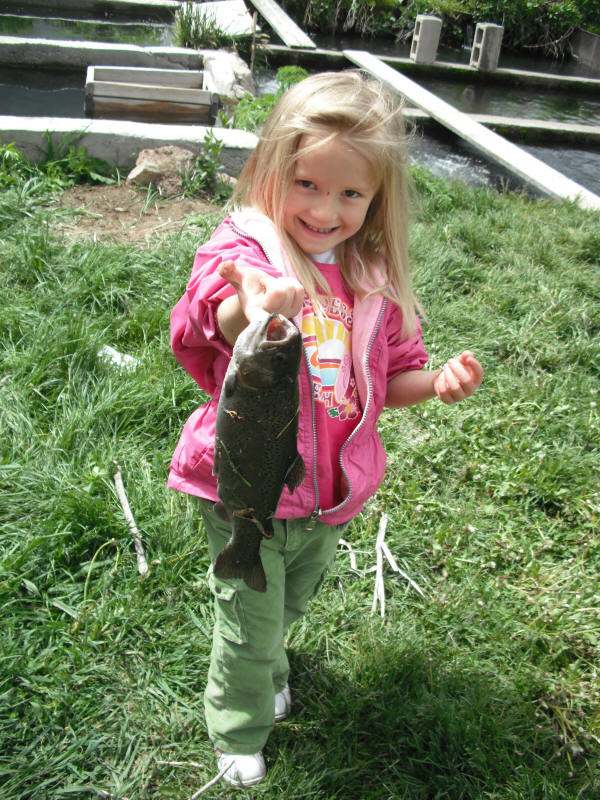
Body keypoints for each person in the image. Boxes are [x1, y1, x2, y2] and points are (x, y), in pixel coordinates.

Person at [168, 70, 483, 788]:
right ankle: (237, 727)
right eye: (306, 183)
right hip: (243, 488)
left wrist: (436, 384)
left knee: (287, 603)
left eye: (349, 194)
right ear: (272, 170)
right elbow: (208, 317)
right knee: (247, 623)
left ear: (376, 200)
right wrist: (249, 306)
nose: (323, 209)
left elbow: (392, 377)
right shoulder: (249, 249)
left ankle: (269, 663)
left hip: (327, 497)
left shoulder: (373, 276)